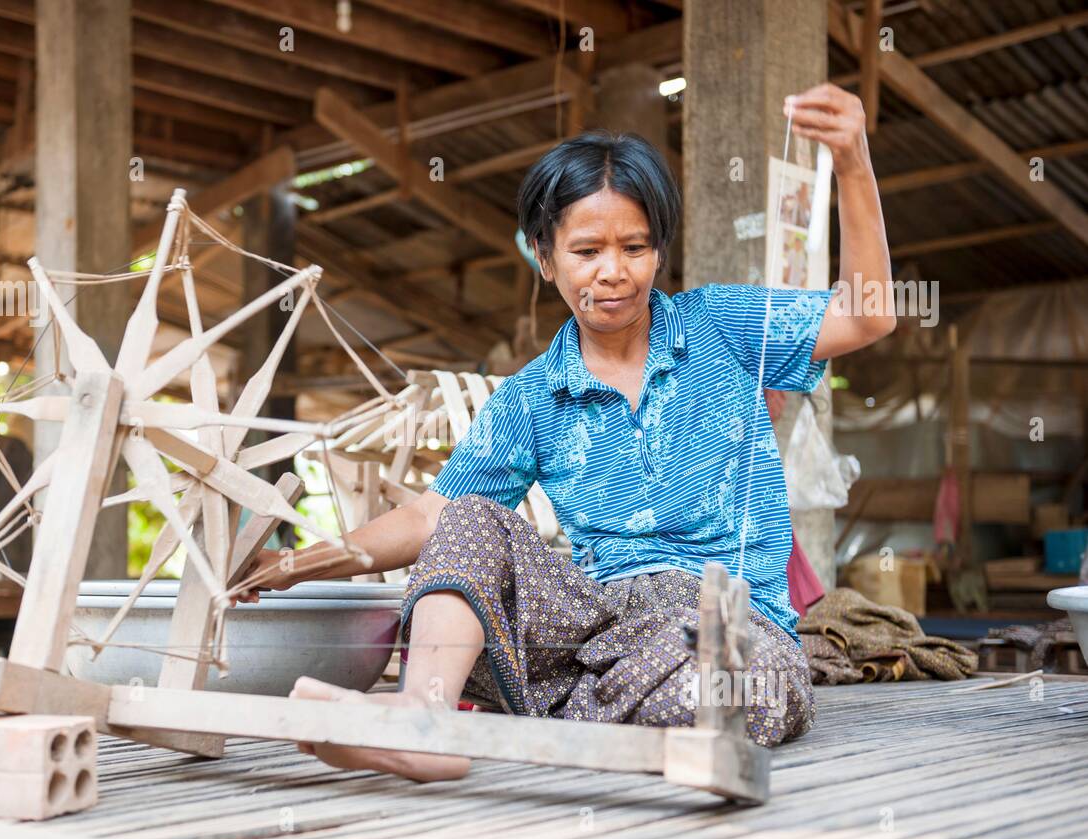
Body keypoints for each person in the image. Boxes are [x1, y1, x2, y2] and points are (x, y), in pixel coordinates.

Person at [234, 83, 895, 782]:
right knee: (471, 518)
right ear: (545, 258)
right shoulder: (529, 398)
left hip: (732, 625)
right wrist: (294, 565)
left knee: (737, 689)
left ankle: (561, 714)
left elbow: (869, 315)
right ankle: (424, 718)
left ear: (659, 252)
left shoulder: (723, 326)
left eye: (634, 246)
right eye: (586, 251)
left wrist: (852, 160)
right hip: (597, 621)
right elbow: (430, 517)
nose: (613, 271)